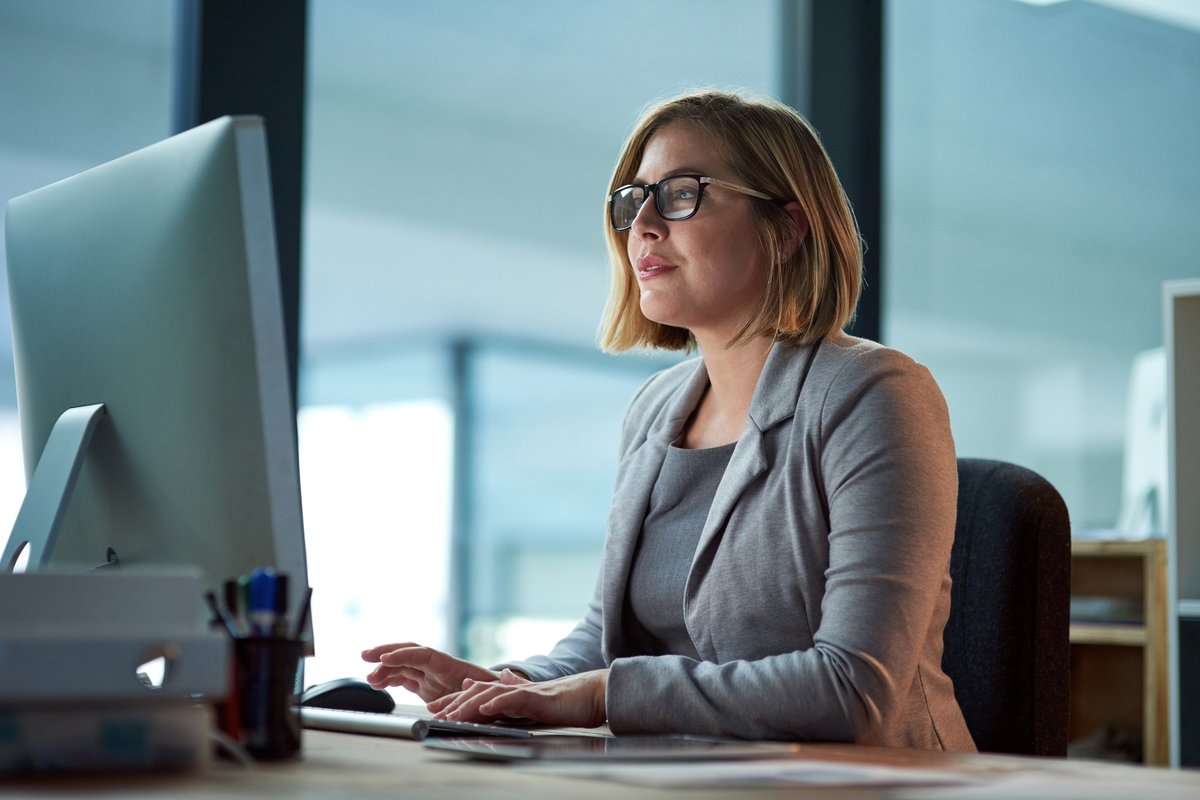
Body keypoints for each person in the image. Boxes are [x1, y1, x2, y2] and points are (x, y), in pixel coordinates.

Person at [363, 90, 976, 750]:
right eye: (633, 201)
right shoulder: (656, 409)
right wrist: (508, 686)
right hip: (691, 779)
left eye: (682, 194)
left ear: (788, 227)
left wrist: (603, 693)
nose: (644, 225)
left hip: (872, 785)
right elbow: (603, 639)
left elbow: (853, 692)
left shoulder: (874, 394)